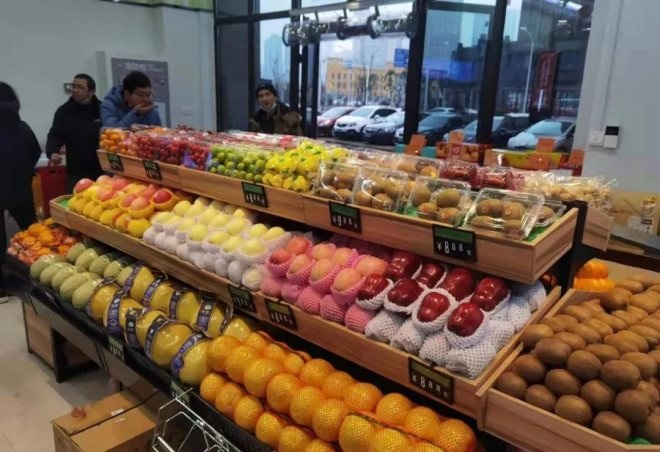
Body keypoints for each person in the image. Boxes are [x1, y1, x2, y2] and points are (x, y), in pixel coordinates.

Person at [0, 83, 40, 297]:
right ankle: (40, 274)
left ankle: (2, 283)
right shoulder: (22, 126)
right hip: (21, 188)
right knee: (33, 231)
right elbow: (35, 151)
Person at [46, 74, 103, 192]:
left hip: (101, 171)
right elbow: (55, 136)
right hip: (76, 173)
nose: (75, 90)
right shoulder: (64, 112)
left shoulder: (102, 109)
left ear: (91, 92)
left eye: (80, 87)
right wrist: (53, 152)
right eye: (73, 86)